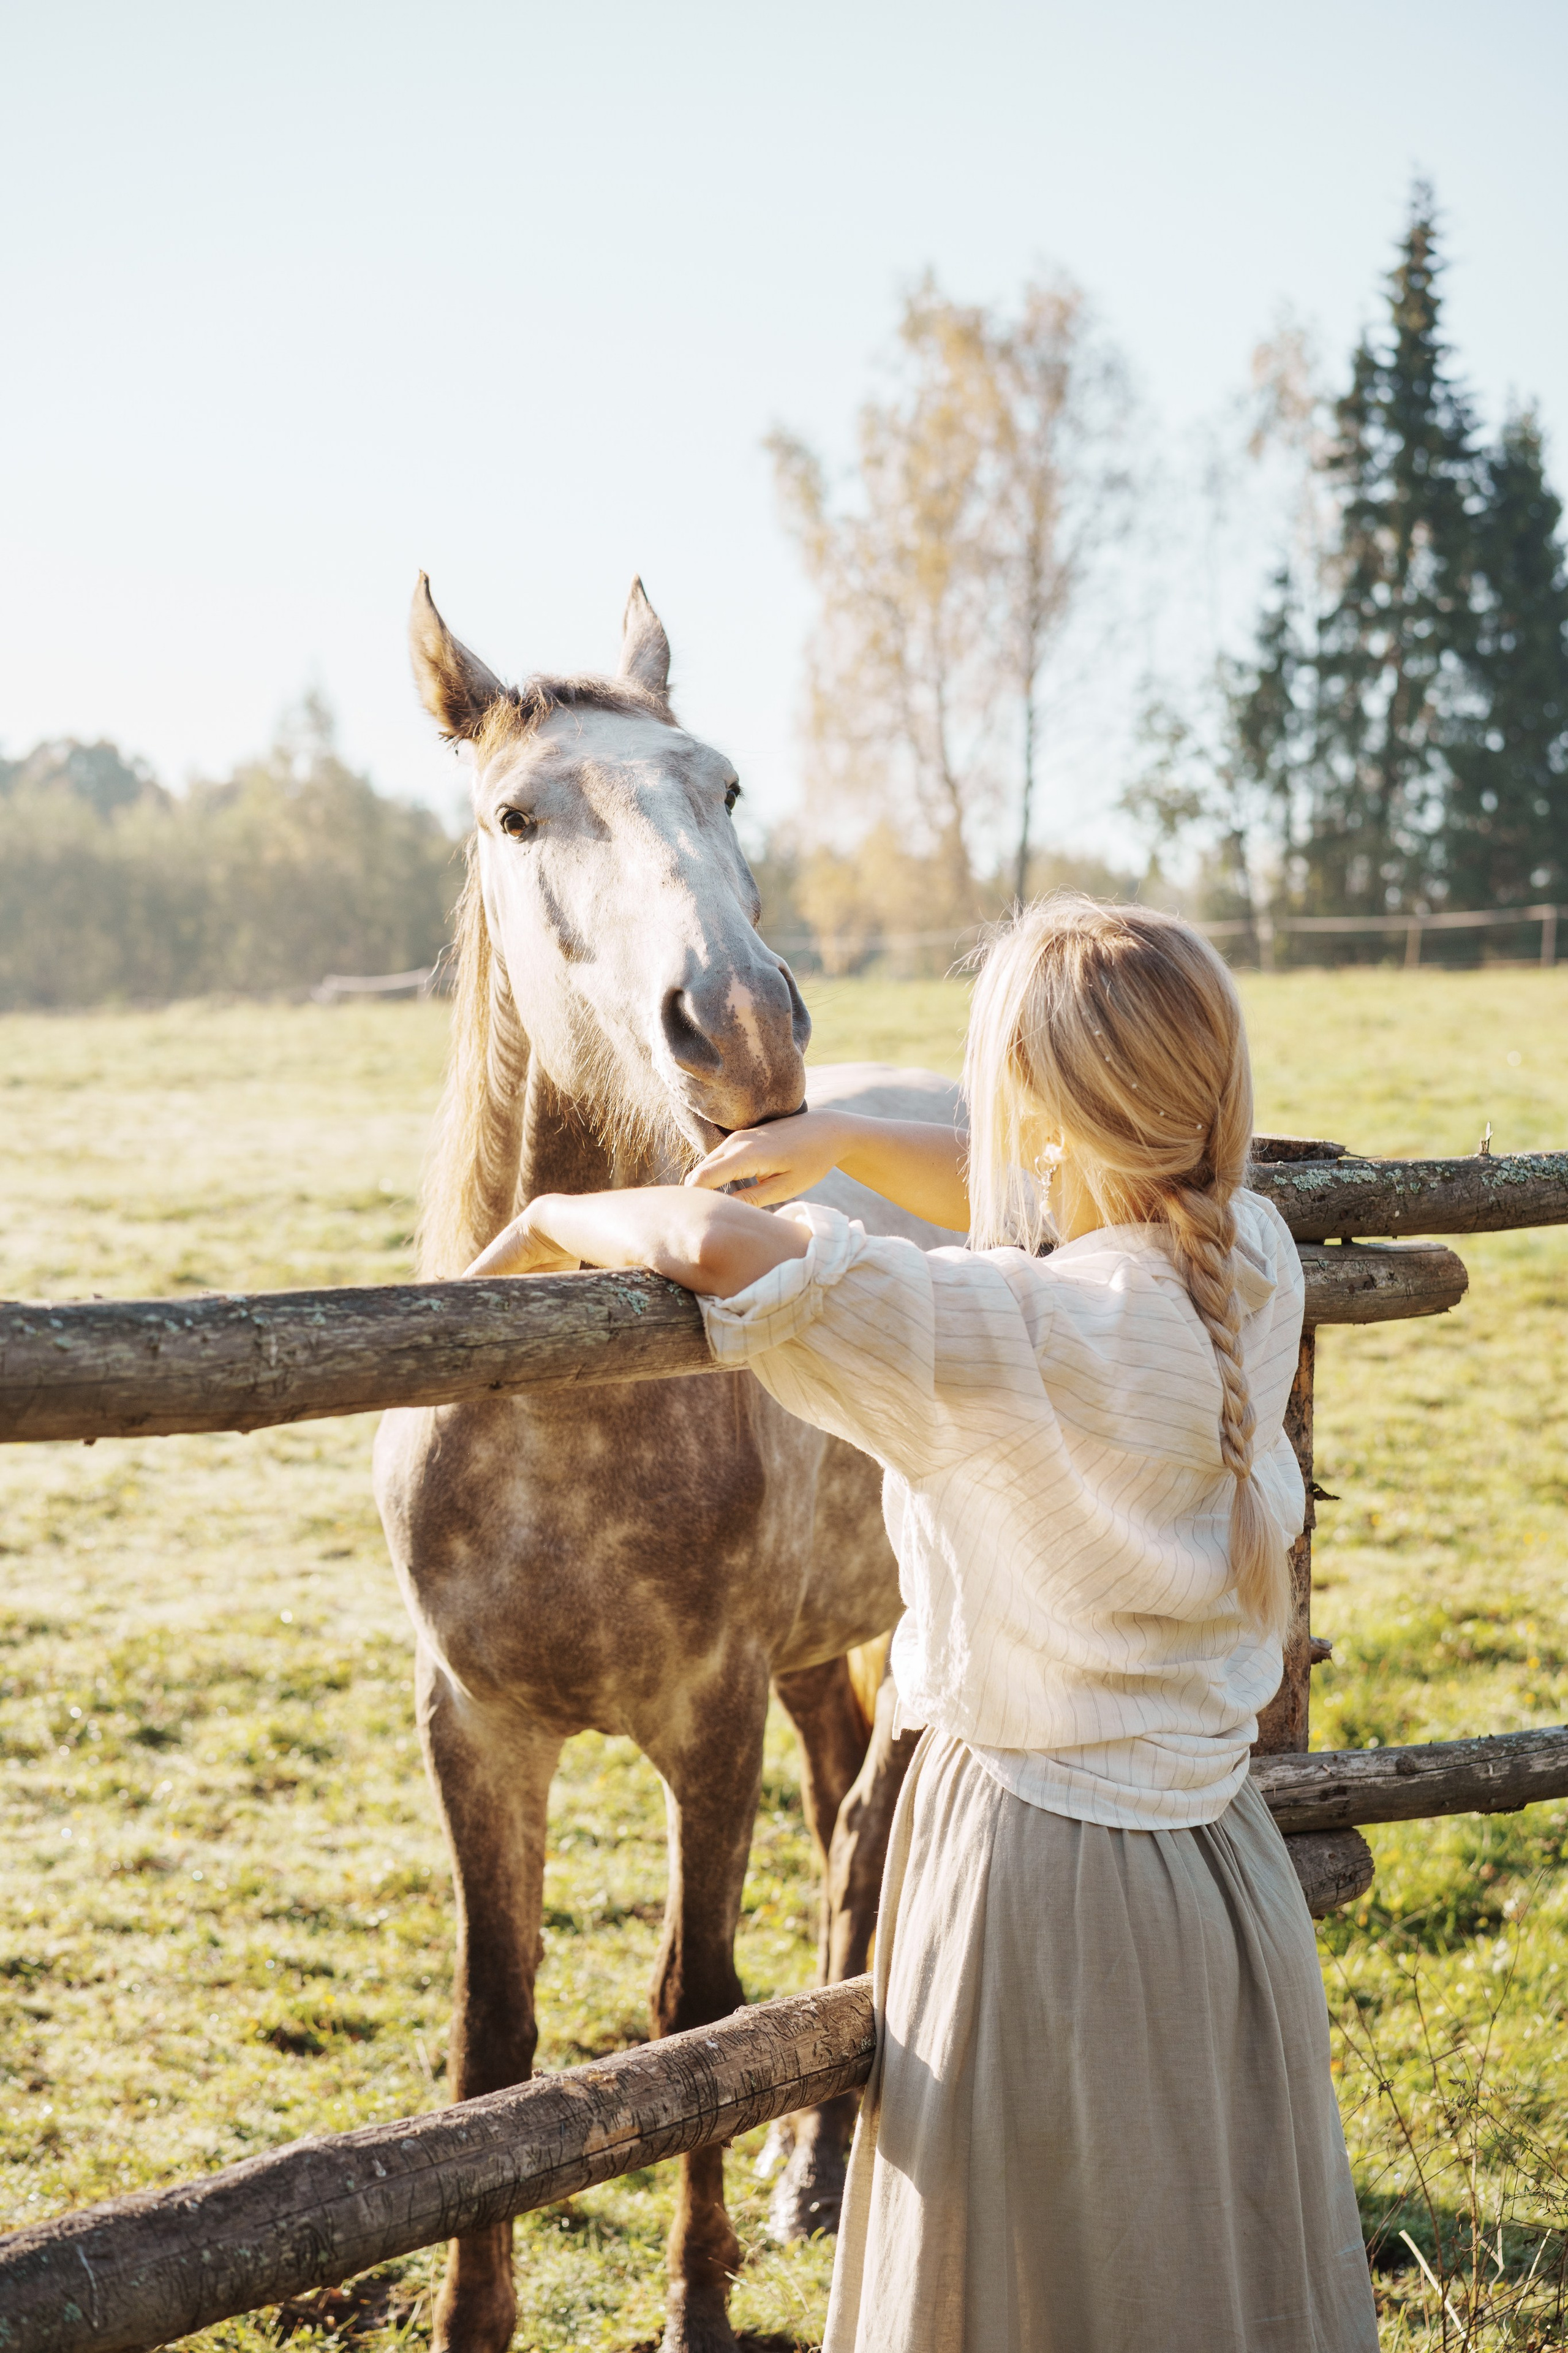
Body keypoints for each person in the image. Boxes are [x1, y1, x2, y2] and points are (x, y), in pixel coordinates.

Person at [467, 894, 1379, 2353]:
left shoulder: (998, 1341)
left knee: (1031, 2290)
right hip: (1215, 1875)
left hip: (1038, 1883)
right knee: (1186, 2276)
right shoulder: (1245, 1264)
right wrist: (834, 1140)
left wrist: (547, 1215)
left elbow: (714, 1242)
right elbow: (1051, 1187)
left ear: (1033, 1116)